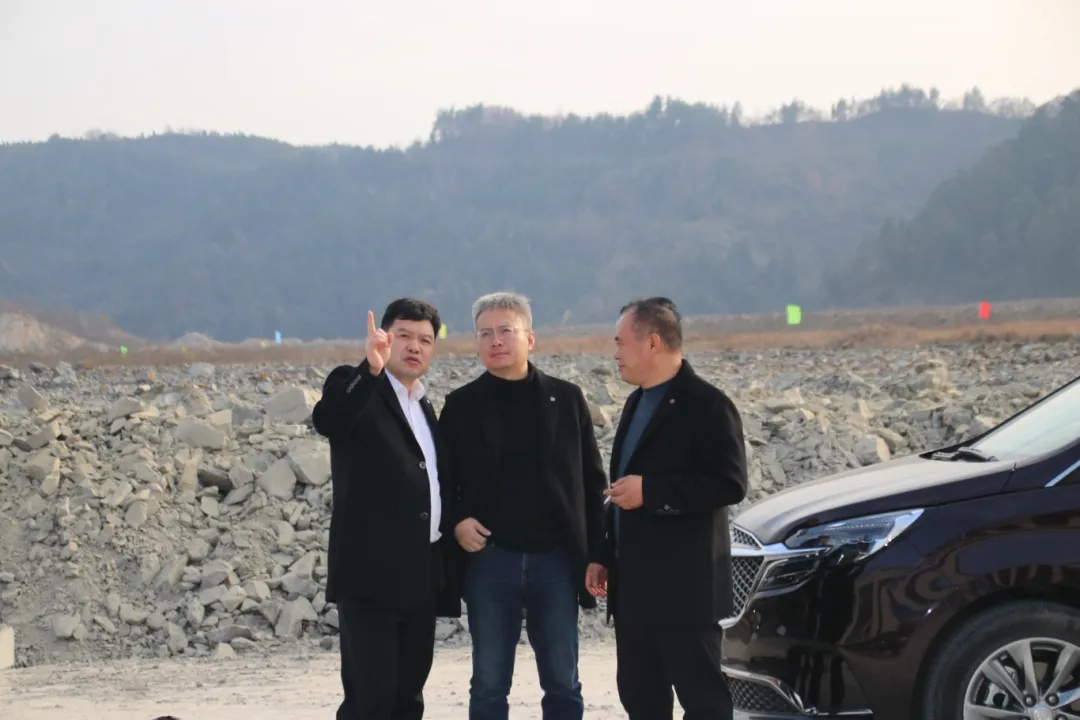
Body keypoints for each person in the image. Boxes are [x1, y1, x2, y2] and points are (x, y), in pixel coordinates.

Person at [438, 291, 608, 720]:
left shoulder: (566, 399)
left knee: (563, 682)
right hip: (490, 561)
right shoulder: (460, 406)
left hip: (556, 561)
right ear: (476, 343)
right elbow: (440, 482)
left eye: (505, 331)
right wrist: (456, 523)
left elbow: (592, 483)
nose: (495, 340)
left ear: (529, 338)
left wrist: (597, 553)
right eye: (485, 333)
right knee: (489, 684)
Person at [584, 297, 748, 720]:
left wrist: (652, 491)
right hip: (633, 593)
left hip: (685, 593)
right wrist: (603, 554)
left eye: (621, 342)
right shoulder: (635, 402)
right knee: (641, 702)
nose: (615, 353)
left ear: (653, 343)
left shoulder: (708, 405)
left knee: (704, 703)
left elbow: (729, 483)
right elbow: (620, 488)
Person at [312, 298, 458, 720]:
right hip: (371, 574)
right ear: (384, 339)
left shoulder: (424, 405)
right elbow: (329, 420)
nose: (415, 346)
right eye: (404, 336)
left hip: (422, 572)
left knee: (408, 697)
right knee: (370, 699)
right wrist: (370, 369)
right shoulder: (357, 384)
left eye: (425, 340)